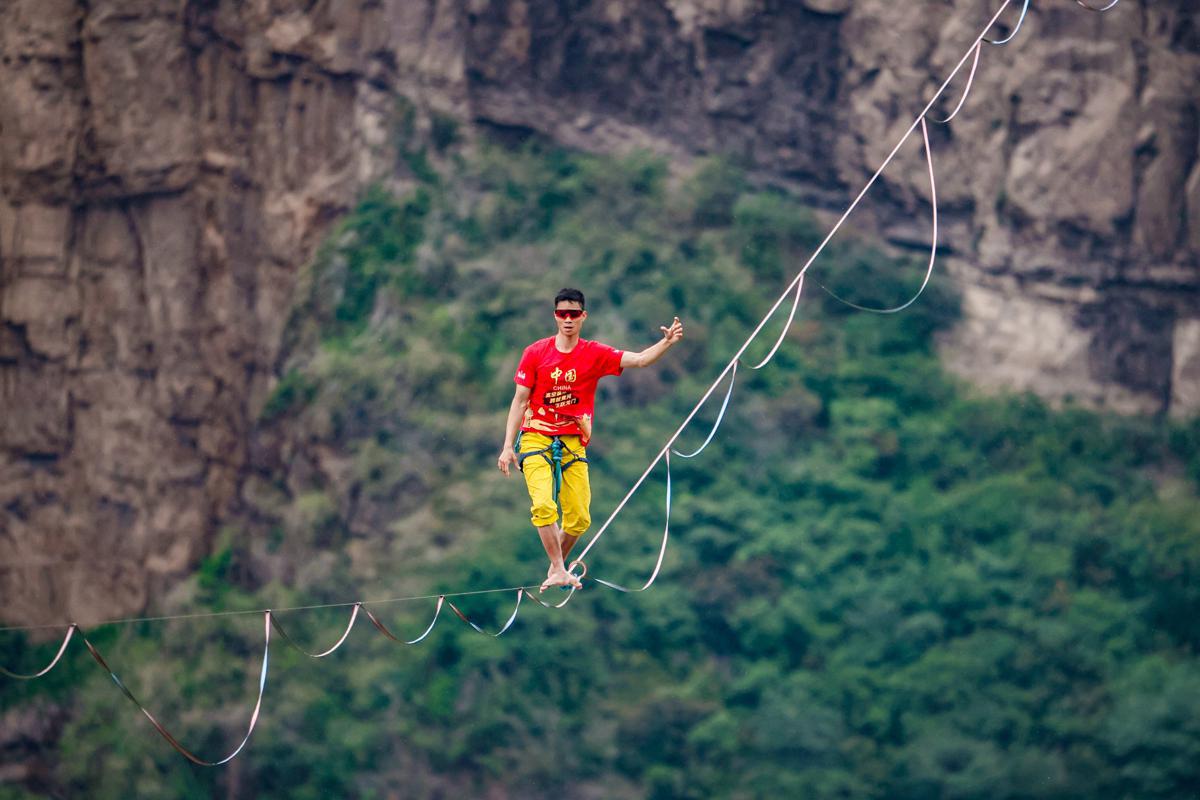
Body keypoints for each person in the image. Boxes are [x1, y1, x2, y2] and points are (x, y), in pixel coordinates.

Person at [498, 288, 684, 592]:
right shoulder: (536, 353)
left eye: (573, 314)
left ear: (583, 316)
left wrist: (666, 342)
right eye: (562, 314)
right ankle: (558, 568)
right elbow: (520, 401)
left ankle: (555, 565)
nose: (567, 320)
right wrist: (508, 446)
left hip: (573, 441)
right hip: (536, 437)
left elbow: (638, 360)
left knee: (579, 519)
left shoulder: (594, 353)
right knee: (544, 505)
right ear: (555, 316)